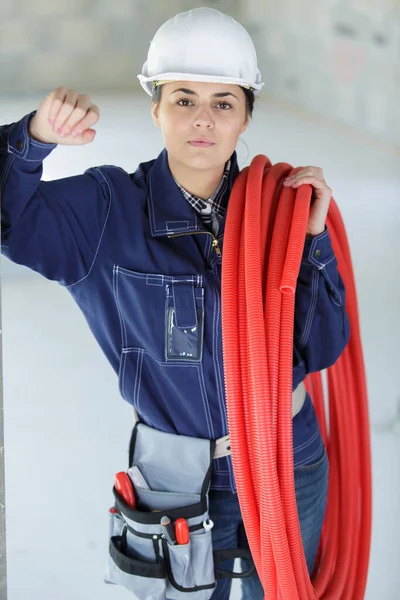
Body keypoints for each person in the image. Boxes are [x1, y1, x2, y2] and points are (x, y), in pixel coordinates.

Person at [0, 7, 350, 599]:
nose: (203, 121)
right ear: (155, 107)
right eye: (184, 99)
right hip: (176, 477)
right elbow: (14, 220)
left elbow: (322, 348)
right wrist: (31, 142)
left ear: (245, 118)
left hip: (288, 454)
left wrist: (312, 243)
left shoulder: (281, 211)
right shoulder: (106, 209)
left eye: (223, 103)